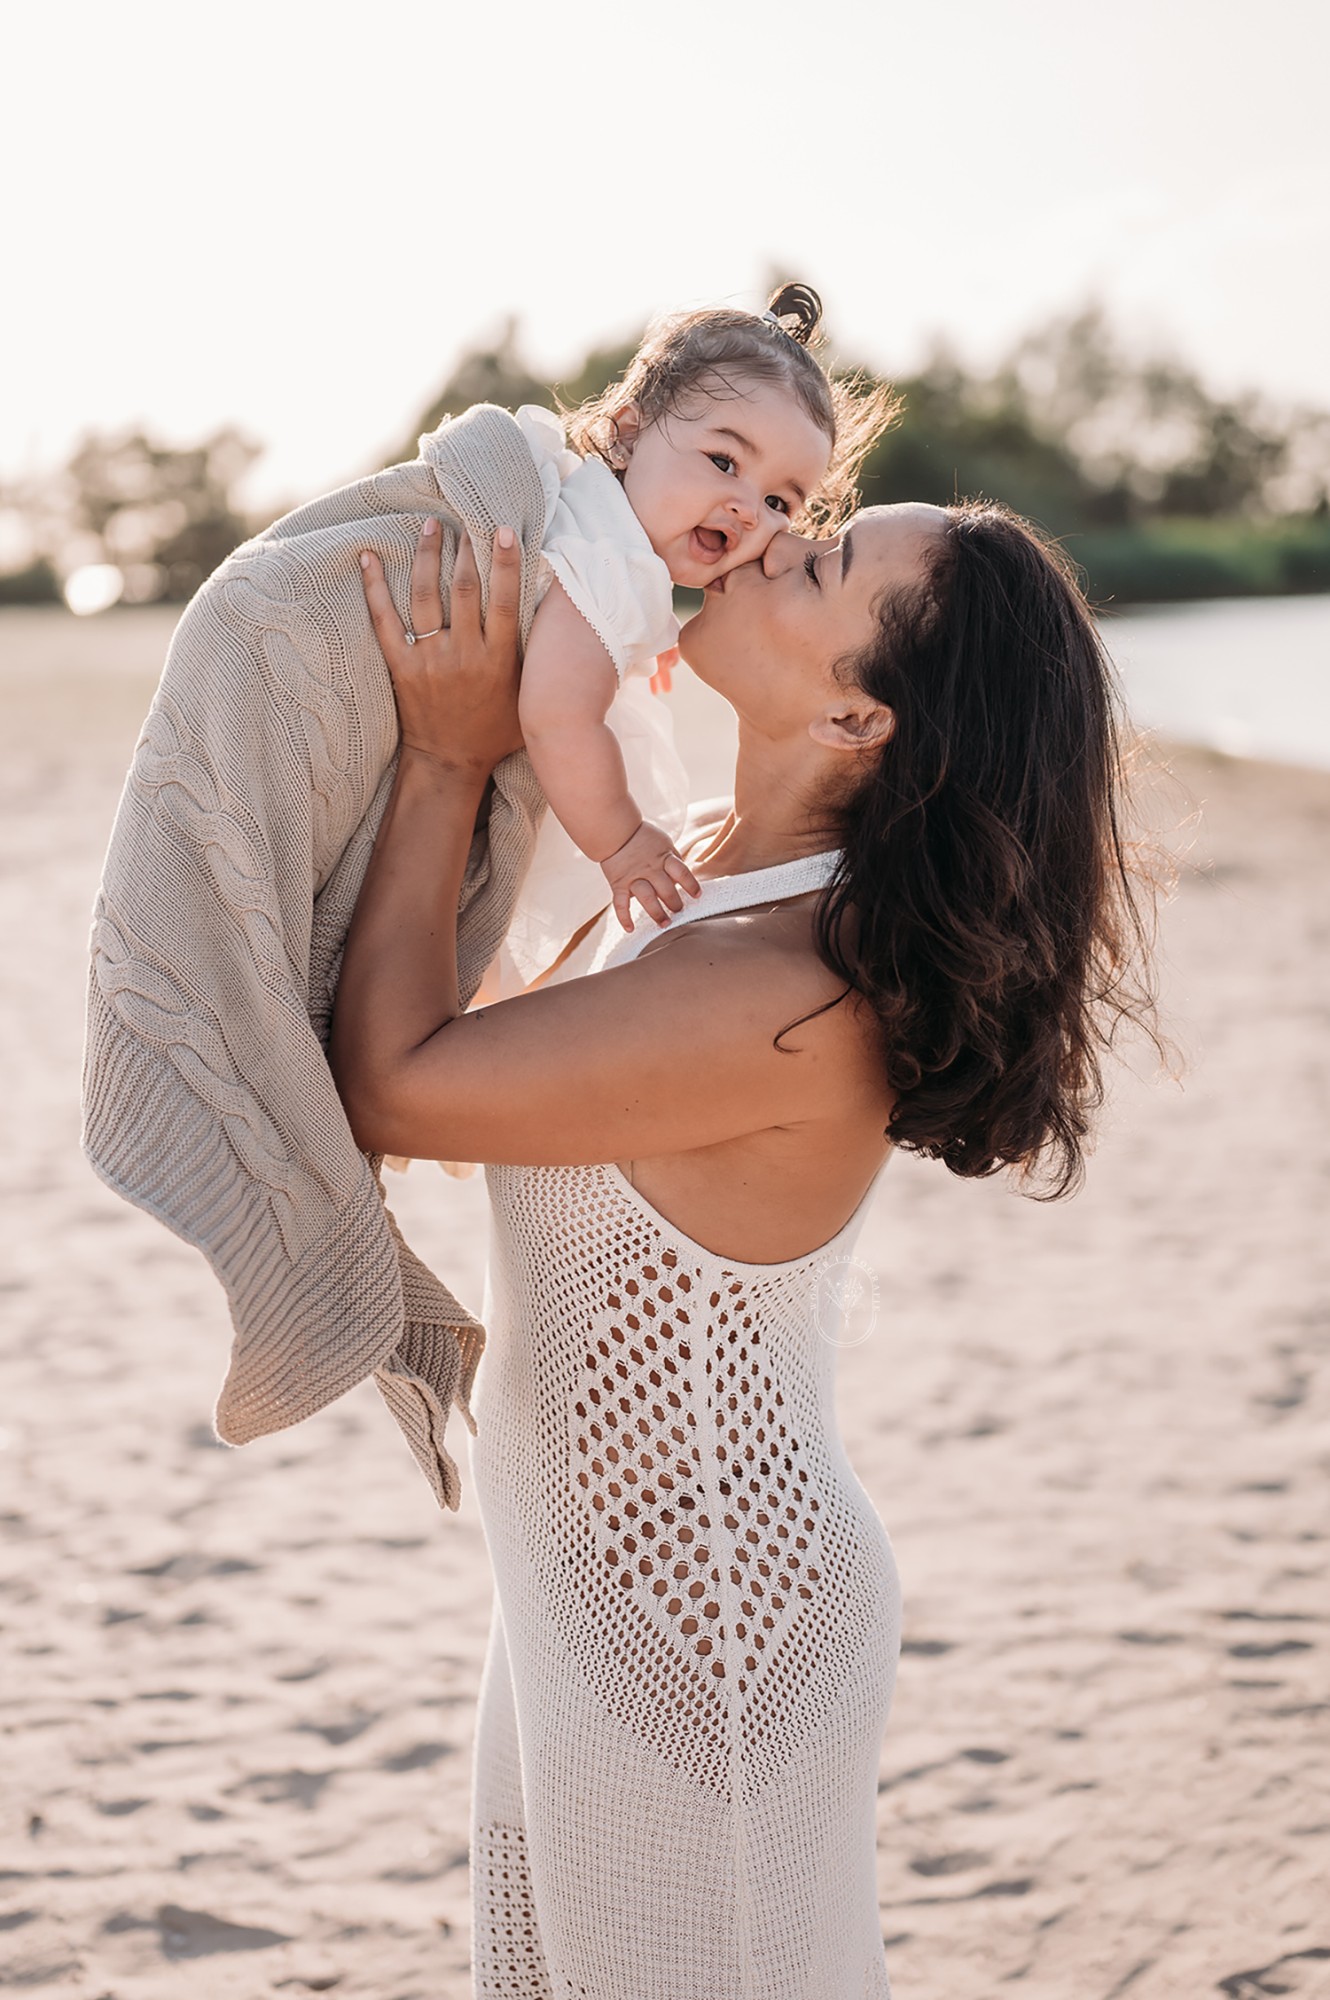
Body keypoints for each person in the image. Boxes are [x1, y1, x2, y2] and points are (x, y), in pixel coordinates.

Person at [328, 478, 1163, 1996]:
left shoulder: (786, 983)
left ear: (857, 719)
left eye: (820, 560)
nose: (772, 542)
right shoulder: (704, 867)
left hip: (702, 1610)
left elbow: (397, 1086)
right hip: (590, 1588)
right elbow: (474, 1079)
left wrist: (450, 754)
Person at [487, 280, 897, 990]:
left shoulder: (600, 534)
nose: (746, 508)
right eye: (724, 461)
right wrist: (621, 846)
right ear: (627, 428)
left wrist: (641, 649)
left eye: (778, 501)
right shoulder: (609, 564)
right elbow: (559, 714)